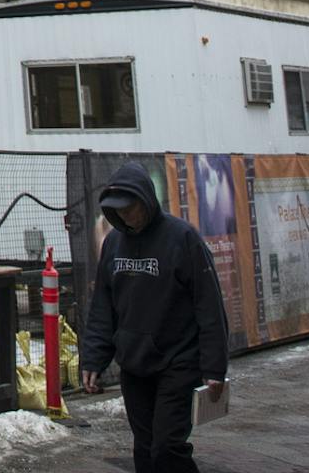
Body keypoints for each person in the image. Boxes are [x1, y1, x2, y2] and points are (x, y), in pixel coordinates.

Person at [79, 163, 229, 473]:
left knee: (167, 447)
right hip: (134, 364)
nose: (126, 216)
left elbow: (209, 305)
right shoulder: (113, 244)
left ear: (146, 200)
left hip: (178, 360)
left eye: (130, 209)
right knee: (145, 448)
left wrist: (214, 367)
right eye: (119, 211)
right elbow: (103, 306)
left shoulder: (182, 238)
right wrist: (93, 358)